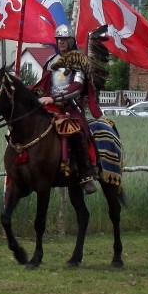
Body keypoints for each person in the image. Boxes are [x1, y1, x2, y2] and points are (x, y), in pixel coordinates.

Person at [30, 24, 100, 195]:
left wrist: (54, 98)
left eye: (64, 39)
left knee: (78, 132)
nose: (61, 41)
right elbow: (43, 85)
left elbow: (76, 88)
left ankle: (86, 174)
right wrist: (27, 92)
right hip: (50, 106)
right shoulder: (51, 61)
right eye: (58, 39)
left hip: (71, 108)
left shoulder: (78, 61)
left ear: (71, 40)